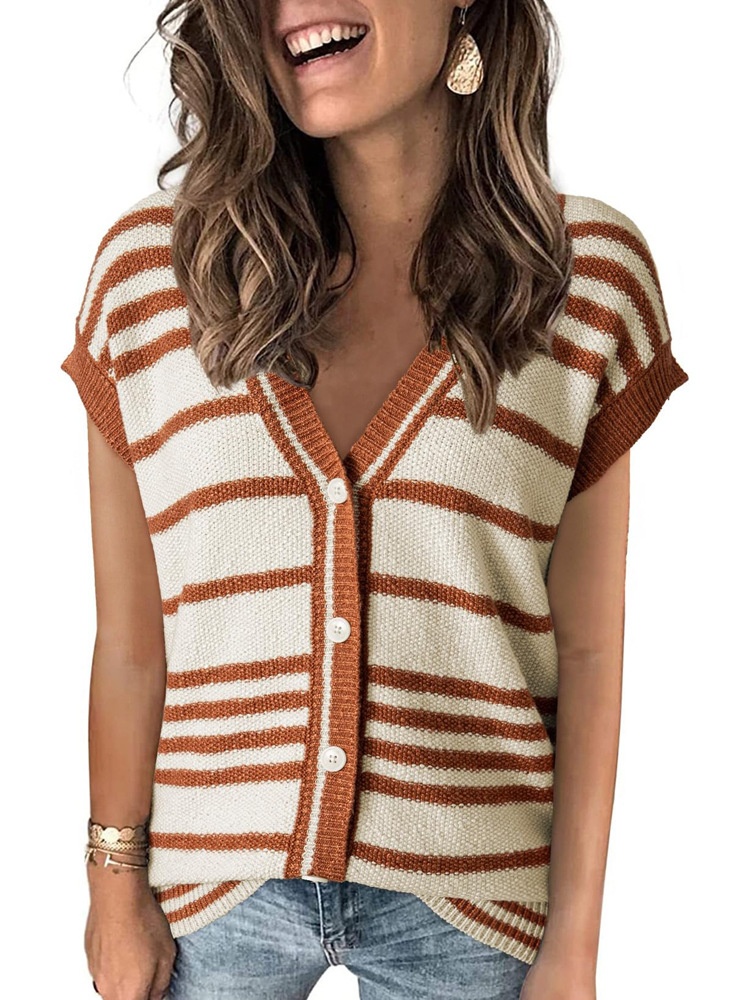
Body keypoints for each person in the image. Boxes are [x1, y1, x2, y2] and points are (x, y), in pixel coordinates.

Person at [60, 1, 690, 998]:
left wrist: (574, 948)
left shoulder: (581, 280)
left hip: (478, 907)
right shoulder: (152, 277)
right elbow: (133, 643)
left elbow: (588, 652)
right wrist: (111, 884)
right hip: (208, 903)